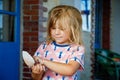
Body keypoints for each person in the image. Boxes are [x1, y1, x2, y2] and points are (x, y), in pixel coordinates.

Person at [31, 5, 85, 80]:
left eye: (62, 29)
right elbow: (36, 78)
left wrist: (43, 61)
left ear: (74, 29)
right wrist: (36, 73)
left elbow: (70, 70)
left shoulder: (77, 49)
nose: (56, 32)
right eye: (53, 28)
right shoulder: (44, 46)